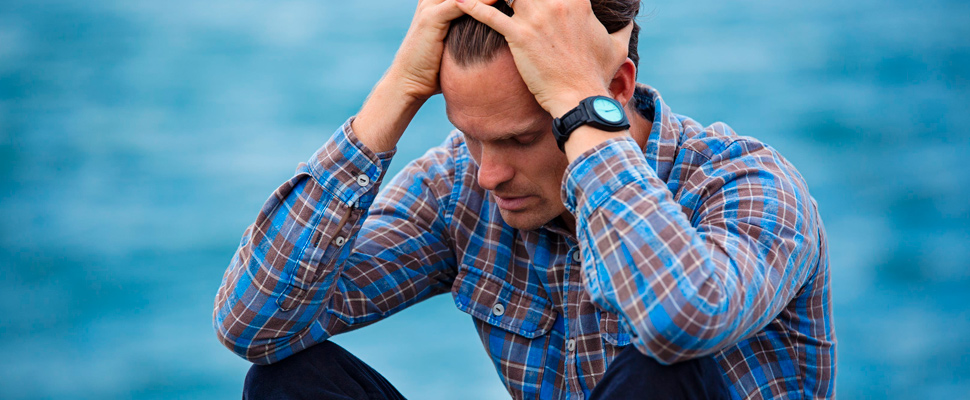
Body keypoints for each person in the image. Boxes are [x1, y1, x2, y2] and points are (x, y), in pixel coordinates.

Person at [213, 0, 836, 398]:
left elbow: (679, 320)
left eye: (518, 138)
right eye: (469, 137)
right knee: (287, 384)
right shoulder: (462, 185)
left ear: (612, 92)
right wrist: (397, 92)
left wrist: (580, 112)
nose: (488, 173)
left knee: (660, 372)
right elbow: (254, 326)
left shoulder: (749, 187)